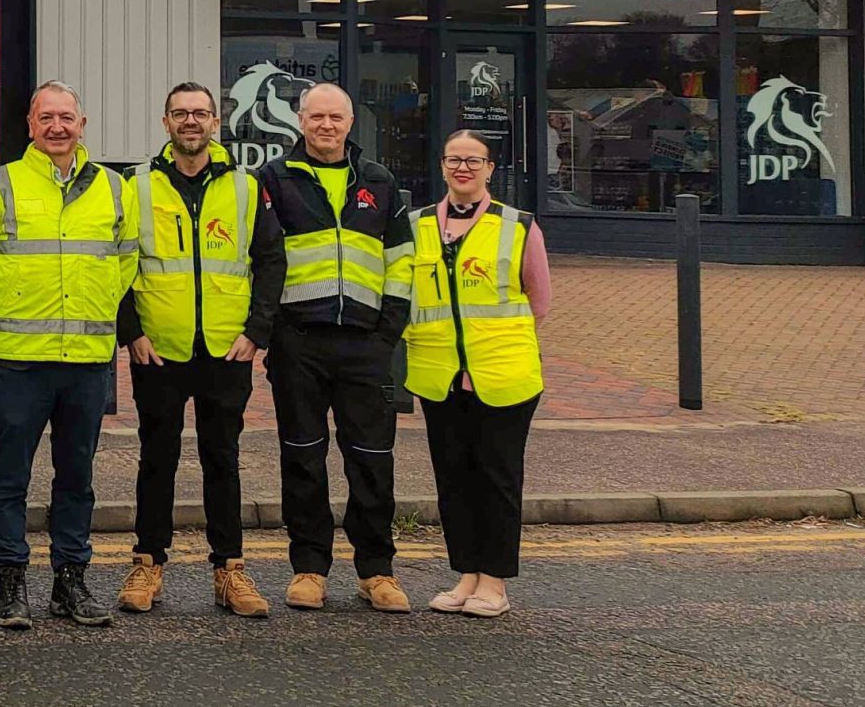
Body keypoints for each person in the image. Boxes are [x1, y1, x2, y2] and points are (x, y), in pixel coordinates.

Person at [0, 81, 139, 628]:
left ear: (83, 124)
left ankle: (70, 583)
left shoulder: (113, 188)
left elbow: (125, 261)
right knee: (10, 478)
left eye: (67, 117)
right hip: (20, 361)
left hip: (86, 360)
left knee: (76, 478)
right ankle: (11, 584)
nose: (57, 127)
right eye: (46, 118)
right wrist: (3, 314)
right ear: (29, 126)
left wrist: (99, 308)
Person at [115, 82, 285, 617]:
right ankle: (147, 562)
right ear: (166, 122)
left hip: (225, 349)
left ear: (216, 122)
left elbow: (271, 261)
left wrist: (256, 332)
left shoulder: (244, 185)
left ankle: (230, 569)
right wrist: (131, 332)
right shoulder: (134, 185)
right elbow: (115, 263)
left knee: (223, 459)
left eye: (201, 113)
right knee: (156, 458)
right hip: (158, 349)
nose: (191, 121)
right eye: (180, 113)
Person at [254, 81, 414, 613]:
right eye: (316, 116)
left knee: (371, 459)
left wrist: (387, 333)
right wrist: (272, 332)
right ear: (300, 121)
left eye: (336, 117)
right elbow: (259, 261)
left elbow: (401, 261)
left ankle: (377, 570)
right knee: (303, 457)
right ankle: (309, 568)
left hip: (365, 346)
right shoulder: (272, 180)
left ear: (350, 123)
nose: (326, 125)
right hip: (298, 344)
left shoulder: (380, 181)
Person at [398, 130, 550, 619]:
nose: (463, 168)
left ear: (489, 169)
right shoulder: (417, 225)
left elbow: (538, 303)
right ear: (442, 167)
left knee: (497, 477)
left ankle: (495, 582)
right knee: (454, 478)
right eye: (454, 159)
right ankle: (466, 573)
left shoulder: (518, 225)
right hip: (440, 375)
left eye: (474, 160)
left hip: (503, 375)